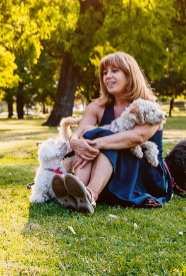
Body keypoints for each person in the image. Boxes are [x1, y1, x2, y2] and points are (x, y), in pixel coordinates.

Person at [57, 51, 172, 213]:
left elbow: (137, 137)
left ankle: (90, 194)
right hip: (111, 172)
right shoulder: (97, 107)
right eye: (105, 73)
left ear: (129, 75)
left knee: (104, 137)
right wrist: (76, 143)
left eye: (114, 71)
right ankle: (78, 190)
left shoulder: (149, 107)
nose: (108, 76)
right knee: (88, 132)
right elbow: (79, 132)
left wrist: (95, 143)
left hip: (146, 175)